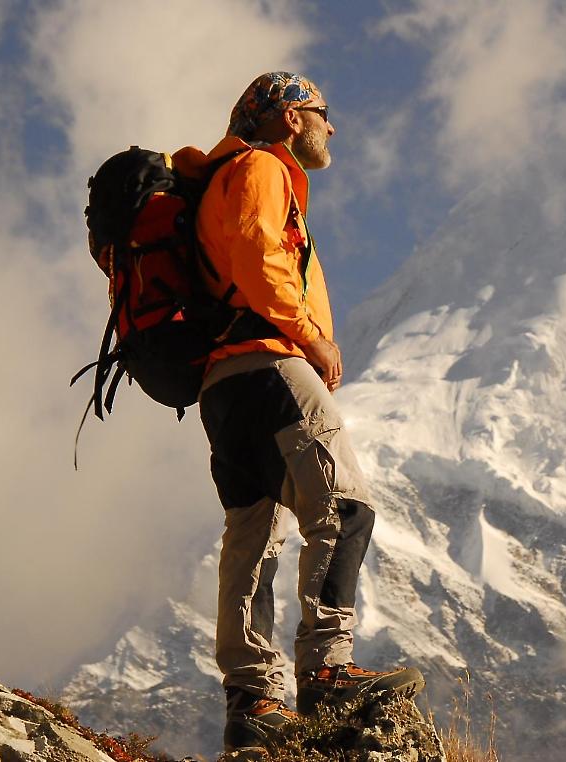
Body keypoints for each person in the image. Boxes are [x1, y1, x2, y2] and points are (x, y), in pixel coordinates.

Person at [173, 71, 424, 753]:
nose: (330, 126)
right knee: (346, 506)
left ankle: (251, 702)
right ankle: (328, 670)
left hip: (222, 387)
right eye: (322, 112)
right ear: (290, 116)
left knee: (253, 536)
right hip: (268, 360)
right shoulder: (260, 167)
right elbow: (259, 254)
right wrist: (311, 337)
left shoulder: (220, 177)